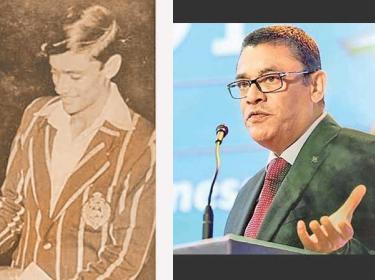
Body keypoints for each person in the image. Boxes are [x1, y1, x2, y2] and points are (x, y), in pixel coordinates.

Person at [0, 4, 155, 279]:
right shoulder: (36, 116)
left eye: (74, 76)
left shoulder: (144, 145)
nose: (61, 86)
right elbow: (11, 207)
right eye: (54, 72)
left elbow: (123, 261)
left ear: (111, 67)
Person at [224, 25, 375, 254]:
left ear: (316, 86)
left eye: (271, 79)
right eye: (244, 84)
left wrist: (341, 256)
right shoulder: (246, 194)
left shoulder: (367, 157)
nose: (252, 96)